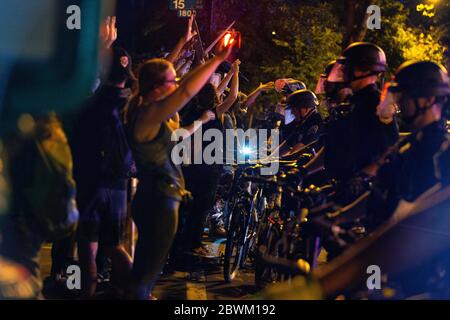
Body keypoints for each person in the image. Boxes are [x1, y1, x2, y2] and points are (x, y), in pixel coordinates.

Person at [125, 39, 233, 299]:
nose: (176, 85)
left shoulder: (152, 112)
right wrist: (216, 60)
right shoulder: (148, 113)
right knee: (146, 275)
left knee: (145, 270)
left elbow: (182, 93)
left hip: (160, 197)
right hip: (158, 198)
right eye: (171, 81)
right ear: (157, 87)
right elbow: (186, 91)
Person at [72, 46, 135, 298]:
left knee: (88, 253)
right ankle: (139, 291)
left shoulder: (87, 104)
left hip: (89, 184)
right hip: (119, 185)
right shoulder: (133, 107)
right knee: (115, 247)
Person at [180, 60, 240, 256]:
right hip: (208, 168)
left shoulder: (191, 113)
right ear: (214, 98)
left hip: (189, 165)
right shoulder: (214, 114)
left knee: (186, 207)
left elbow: (219, 92)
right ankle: (193, 244)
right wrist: (236, 72)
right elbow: (232, 96)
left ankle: (180, 245)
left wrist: (230, 73)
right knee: (201, 208)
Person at [323, 42, 399, 182]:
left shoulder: (376, 105)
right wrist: (302, 171)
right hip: (338, 184)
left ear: (361, 70)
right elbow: (331, 148)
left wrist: (361, 179)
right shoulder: (351, 104)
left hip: (363, 194)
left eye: (348, 67)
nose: (343, 72)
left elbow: (390, 150)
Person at [278, 89, 323, 158]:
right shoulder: (304, 122)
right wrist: (269, 158)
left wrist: (276, 160)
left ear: (305, 108)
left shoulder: (317, 123)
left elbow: (299, 148)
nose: (292, 112)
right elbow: (287, 144)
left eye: (294, 109)